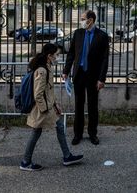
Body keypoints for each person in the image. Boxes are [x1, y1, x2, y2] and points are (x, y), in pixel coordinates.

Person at [20, 43, 83, 171]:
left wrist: (55, 104)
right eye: (56, 55)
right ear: (49, 56)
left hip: (48, 107)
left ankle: (67, 156)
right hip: (42, 109)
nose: (58, 57)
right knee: (36, 132)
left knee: (57, 127)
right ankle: (26, 162)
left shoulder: (47, 67)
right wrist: (45, 109)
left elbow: (48, 91)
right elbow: (38, 94)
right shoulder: (42, 70)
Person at [62, 10, 109, 145]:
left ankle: (92, 134)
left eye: (83, 19)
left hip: (93, 76)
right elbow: (71, 53)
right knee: (78, 105)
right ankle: (78, 134)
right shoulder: (78, 33)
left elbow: (105, 59)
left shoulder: (102, 36)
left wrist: (101, 79)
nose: (81, 21)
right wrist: (66, 71)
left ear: (91, 20)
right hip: (79, 74)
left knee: (93, 106)